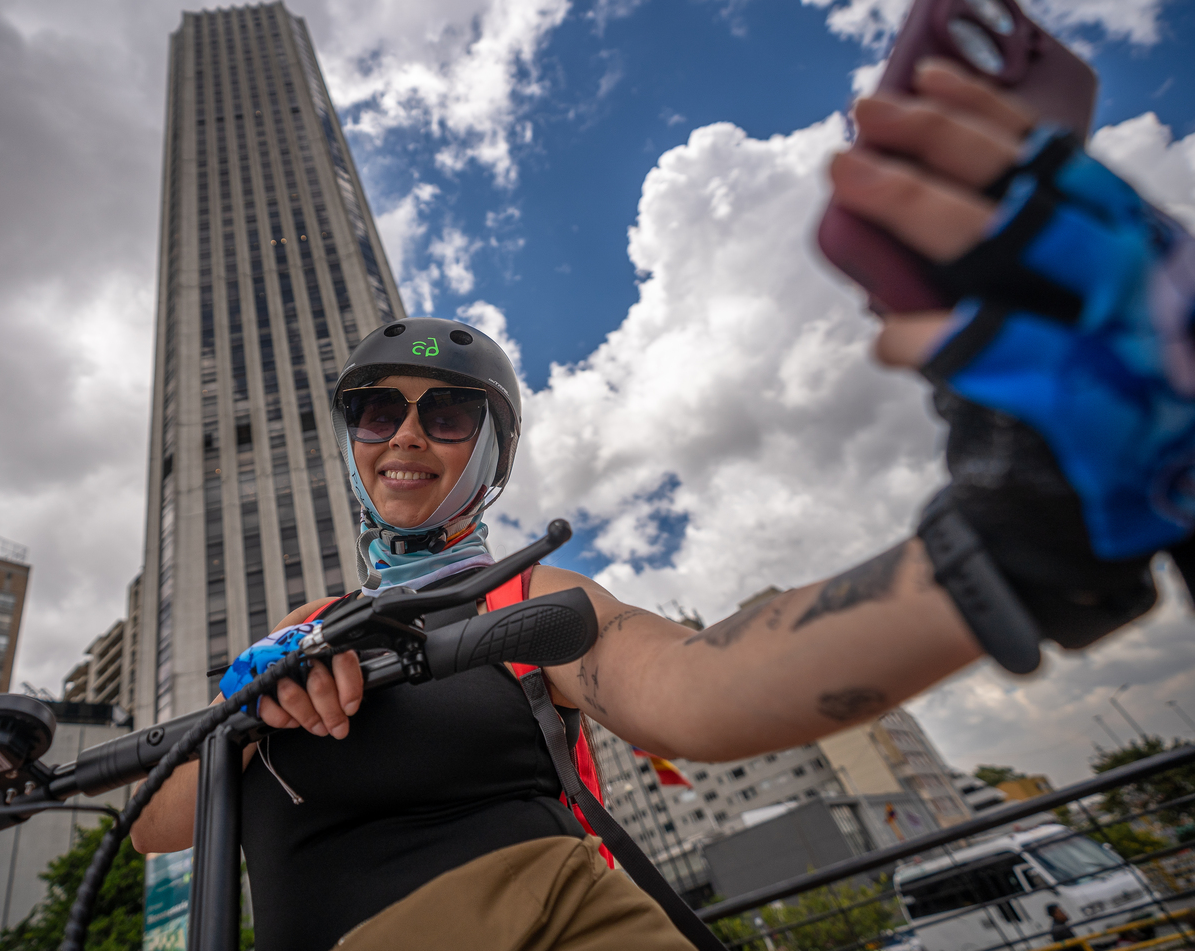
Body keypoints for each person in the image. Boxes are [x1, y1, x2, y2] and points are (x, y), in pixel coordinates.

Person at [130, 58, 1193, 950]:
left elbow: (703, 687)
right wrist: (245, 710)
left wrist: (1024, 535)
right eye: (377, 412)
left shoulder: (532, 597)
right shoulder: (296, 636)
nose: (406, 433)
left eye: (448, 412)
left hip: (573, 915)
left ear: (491, 451)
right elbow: (153, 825)